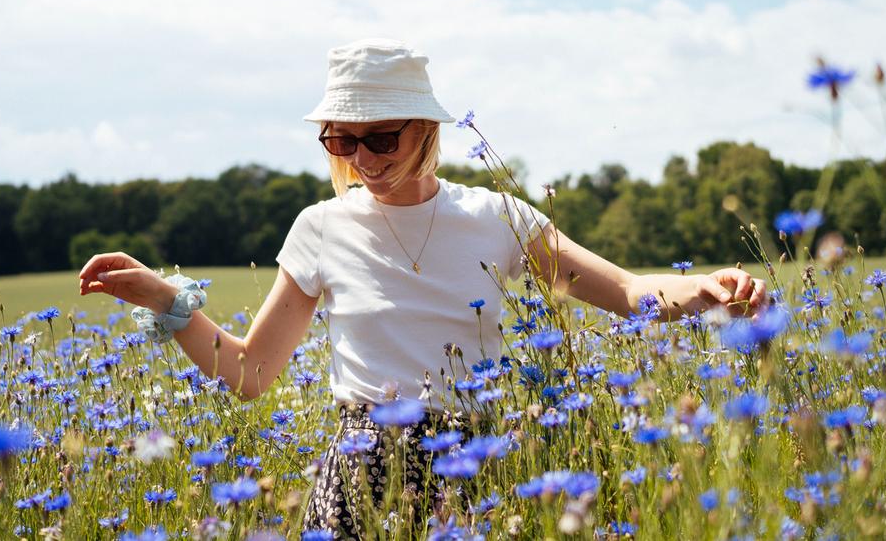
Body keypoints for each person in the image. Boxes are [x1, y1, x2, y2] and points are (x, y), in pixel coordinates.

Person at [78, 39, 768, 537]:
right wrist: (166, 302)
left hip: (484, 463)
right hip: (361, 472)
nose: (361, 159)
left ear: (425, 129)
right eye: (340, 142)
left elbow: (623, 292)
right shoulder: (319, 227)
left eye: (378, 137)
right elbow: (251, 373)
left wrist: (705, 287)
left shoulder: (496, 215)